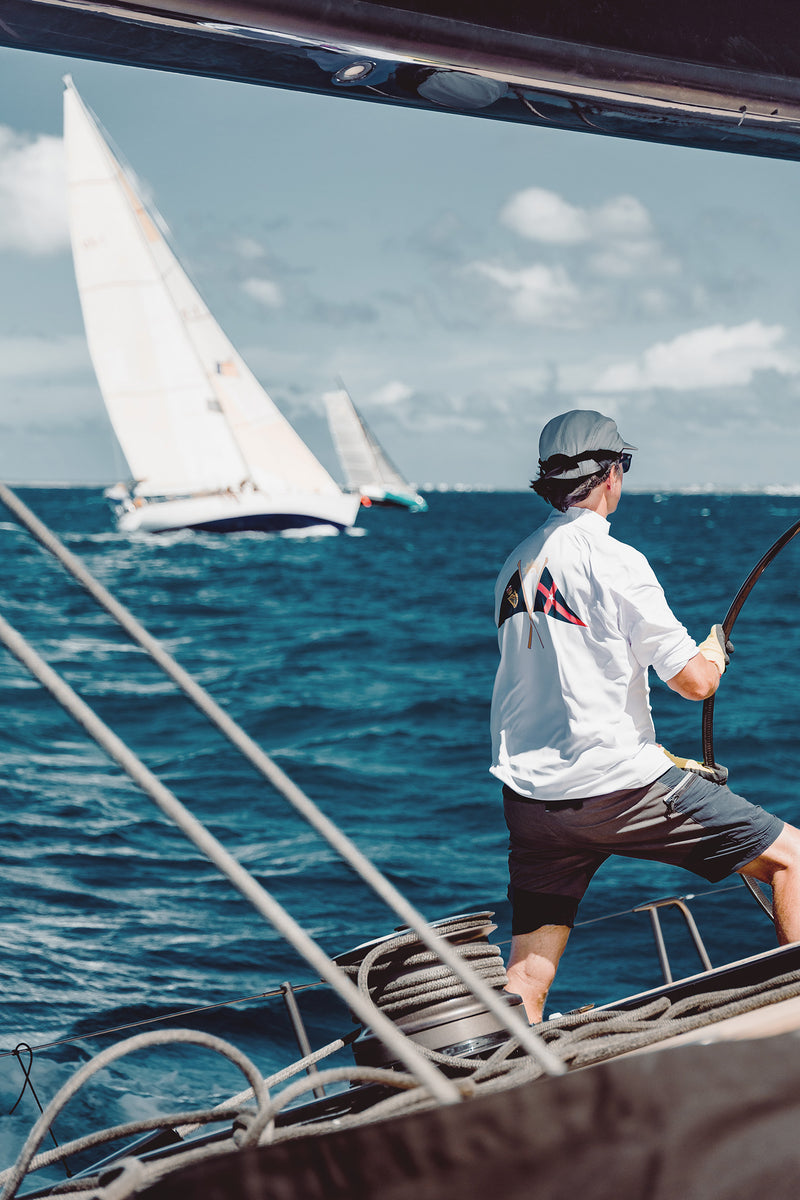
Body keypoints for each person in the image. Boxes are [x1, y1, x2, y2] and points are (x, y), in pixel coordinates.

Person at [490, 409, 800, 1023]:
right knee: (794, 860)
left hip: (531, 805)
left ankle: (502, 1081)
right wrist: (712, 653)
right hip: (616, 790)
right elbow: (694, 683)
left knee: (527, 972)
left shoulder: (515, 567)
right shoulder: (617, 561)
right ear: (612, 473)